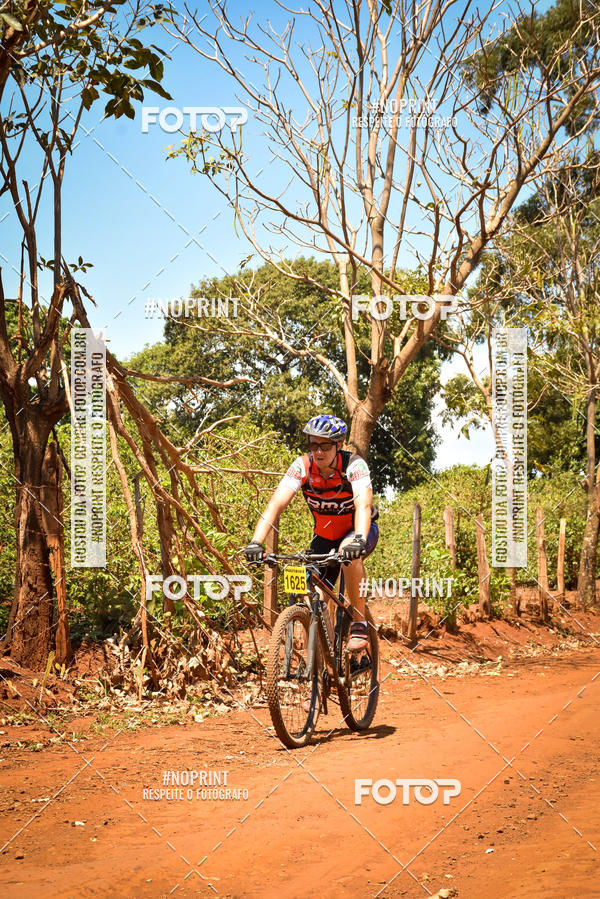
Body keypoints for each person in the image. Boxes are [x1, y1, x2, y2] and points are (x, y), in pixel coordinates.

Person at [243, 414, 379, 652]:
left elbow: (363, 505)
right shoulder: (302, 466)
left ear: (339, 444)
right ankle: (320, 667)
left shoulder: (354, 465)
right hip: (324, 537)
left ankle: (359, 622)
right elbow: (275, 504)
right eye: (313, 445)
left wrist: (358, 539)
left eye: (325, 445)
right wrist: (256, 542)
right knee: (312, 596)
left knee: (349, 556)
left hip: (357, 531)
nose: (318, 451)